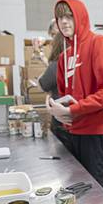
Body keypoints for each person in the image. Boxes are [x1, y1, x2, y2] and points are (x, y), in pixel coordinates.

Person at [46, 0, 103, 189]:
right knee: (76, 190)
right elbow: (64, 94)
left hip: (96, 135)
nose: (64, 22)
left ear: (80, 17)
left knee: (96, 193)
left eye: (69, 16)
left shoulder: (99, 44)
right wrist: (56, 108)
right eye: (60, 17)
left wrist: (73, 110)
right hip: (72, 133)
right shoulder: (64, 57)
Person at [37, 19, 69, 147]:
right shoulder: (71, 62)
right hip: (74, 117)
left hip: (61, 118)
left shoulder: (57, 64)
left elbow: (42, 85)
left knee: (64, 155)